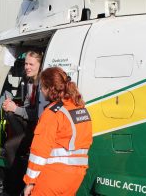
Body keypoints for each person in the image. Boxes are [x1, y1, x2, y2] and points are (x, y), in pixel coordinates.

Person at [23, 67, 93, 196]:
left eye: (42, 86)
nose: (40, 90)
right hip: (76, 176)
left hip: (54, 176)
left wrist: (30, 181)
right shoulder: (80, 108)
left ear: (49, 88)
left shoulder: (52, 113)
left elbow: (39, 152)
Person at [1, 50, 43, 195]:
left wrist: (16, 109)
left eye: (31, 64)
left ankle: (14, 187)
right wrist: (12, 106)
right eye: (26, 64)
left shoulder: (42, 84)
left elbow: (37, 114)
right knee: (9, 113)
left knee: (9, 146)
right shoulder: (28, 81)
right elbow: (26, 107)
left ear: (40, 65)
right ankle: (24, 146)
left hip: (38, 127)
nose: (27, 67)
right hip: (29, 125)